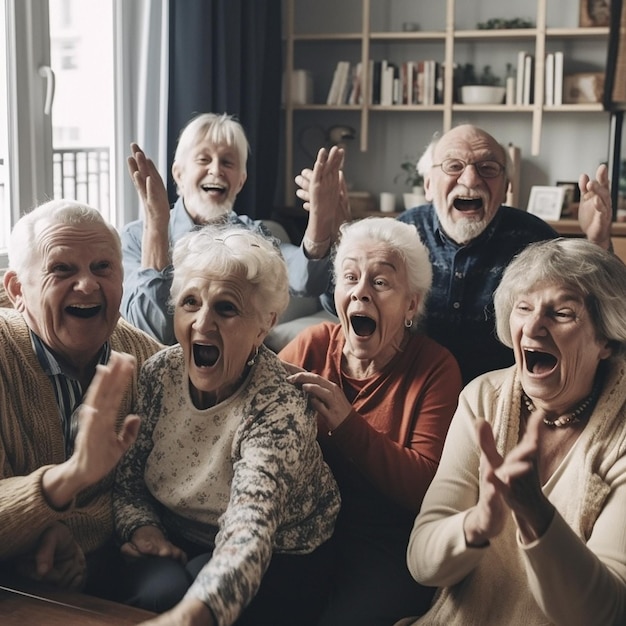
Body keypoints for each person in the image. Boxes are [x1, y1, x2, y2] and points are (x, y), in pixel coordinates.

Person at [113, 224, 340, 626]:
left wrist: (190, 616)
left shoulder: (279, 405)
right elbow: (128, 478)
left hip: (281, 551)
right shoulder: (157, 374)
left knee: (206, 605)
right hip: (177, 532)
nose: (202, 323)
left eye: (226, 308)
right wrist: (143, 528)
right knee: (155, 594)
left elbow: (250, 531)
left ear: (264, 325)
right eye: (190, 302)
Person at [401, 237, 626, 625]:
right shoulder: (482, 398)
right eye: (524, 308)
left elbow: (603, 612)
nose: (533, 327)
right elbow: (422, 562)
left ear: (605, 338)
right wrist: (476, 525)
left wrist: (534, 512)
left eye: (562, 313)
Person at [307, 124, 613, 384]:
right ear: (428, 184)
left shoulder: (534, 239)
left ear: (506, 185)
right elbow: (340, 302)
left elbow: (590, 315)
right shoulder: (404, 233)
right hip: (415, 388)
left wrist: (597, 239)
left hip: (500, 395)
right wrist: (326, 233)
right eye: (454, 166)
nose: (470, 180)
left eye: (487, 168)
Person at [279, 217, 463, 626]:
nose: (361, 290)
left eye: (380, 283)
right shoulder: (311, 346)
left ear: (411, 304)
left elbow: (426, 488)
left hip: (385, 542)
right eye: (350, 278)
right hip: (302, 529)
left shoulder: (435, 368)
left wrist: (348, 425)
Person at [0, 199, 162, 598]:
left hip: (113, 560)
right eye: (62, 269)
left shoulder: (148, 360)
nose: (88, 285)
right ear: (18, 289)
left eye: (102, 268)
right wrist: (71, 477)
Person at [121, 111, 349, 345]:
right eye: (203, 159)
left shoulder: (252, 234)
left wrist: (320, 221)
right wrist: (157, 228)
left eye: (227, 162)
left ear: (240, 180)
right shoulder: (137, 237)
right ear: (179, 174)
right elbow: (149, 330)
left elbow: (306, 280)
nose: (216, 170)